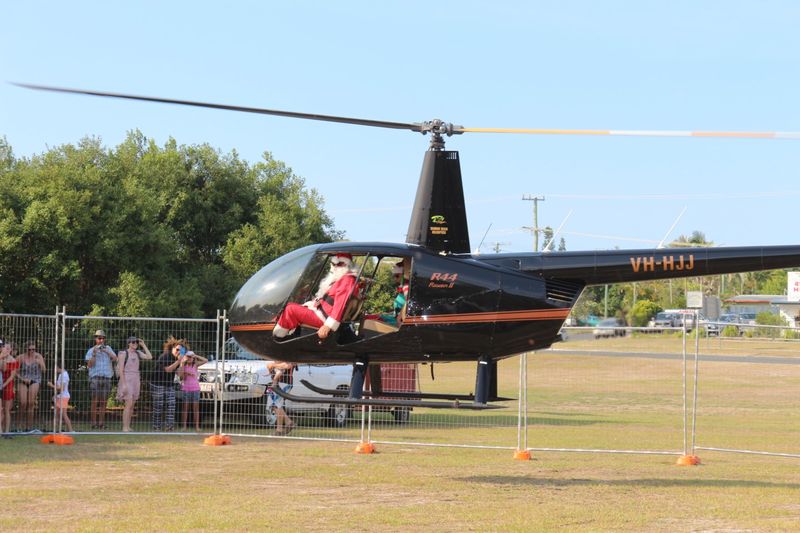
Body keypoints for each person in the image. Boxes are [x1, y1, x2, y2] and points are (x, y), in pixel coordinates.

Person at [273, 253, 358, 340]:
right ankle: (276, 330)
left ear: (347, 265)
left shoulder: (347, 280)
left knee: (290, 310)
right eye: (333, 264)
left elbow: (340, 305)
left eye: (339, 264)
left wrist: (328, 326)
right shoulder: (342, 279)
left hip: (325, 318)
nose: (335, 267)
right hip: (322, 313)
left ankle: (277, 338)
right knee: (290, 305)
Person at [116, 337, 153, 432]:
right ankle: (124, 427)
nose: (135, 344)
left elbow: (149, 357)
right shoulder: (123, 353)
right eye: (133, 342)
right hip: (127, 378)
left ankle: (128, 426)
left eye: (136, 342)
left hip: (136, 379)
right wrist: (123, 384)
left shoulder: (138, 353)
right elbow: (120, 370)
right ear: (128, 343)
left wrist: (143, 345)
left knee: (132, 404)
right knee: (128, 403)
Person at [85, 330, 117, 430]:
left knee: (104, 402)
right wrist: (94, 354)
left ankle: (101, 423)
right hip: (95, 378)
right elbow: (89, 365)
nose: (101, 340)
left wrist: (107, 351)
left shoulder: (108, 348)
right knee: (95, 401)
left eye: (103, 338)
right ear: (95, 339)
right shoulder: (91, 350)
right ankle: (94, 423)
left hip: (107, 378)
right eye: (99, 338)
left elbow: (115, 359)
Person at [150, 337, 184, 431]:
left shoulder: (177, 359)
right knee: (159, 405)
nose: (179, 352)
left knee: (172, 405)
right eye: (177, 349)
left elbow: (180, 375)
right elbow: (168, 370)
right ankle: (157, 427)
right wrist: (178, 361)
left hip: (169, 384)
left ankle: (169, 427)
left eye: (181, 351)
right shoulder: (165, 356)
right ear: (172, 348)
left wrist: (181, 363)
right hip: (157, 383)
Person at [17, 341, 46, 432]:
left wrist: (40, 363)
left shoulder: (38, 356)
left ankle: (28, 427)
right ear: (26, 349)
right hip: (23, 380)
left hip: (35, 380)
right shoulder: (20, 357)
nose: (32, 351)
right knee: (23, 403)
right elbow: (15, 372)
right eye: (30, 349)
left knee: (31, 403)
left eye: (34, 349)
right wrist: (22, 379)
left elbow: (44, 370)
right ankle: (18, 426)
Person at [177, 350, 208, 432]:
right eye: (188, 357)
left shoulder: (195, 365)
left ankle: (197, 427)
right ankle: (184, 426)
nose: (190, 358)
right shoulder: (183, 365)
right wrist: (182, 364)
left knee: (195, 409)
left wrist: (196, 356)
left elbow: (205, 360)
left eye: (191, 357)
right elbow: (180, 377)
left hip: (195, 389)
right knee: (185, 408)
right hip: (185, 389)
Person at [267, 360, 296, 435]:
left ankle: (279, 429)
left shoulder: (289, 356)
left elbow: (287, 365)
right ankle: (288, 422)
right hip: (276, 383)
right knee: (273, 405)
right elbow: (269, 365)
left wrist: (274, 365)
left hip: (283, 383)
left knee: (277, 405)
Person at [46, 362, 73, 433]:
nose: (55, 370)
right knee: (57, 414)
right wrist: (55, 396)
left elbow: (62, 388)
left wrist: (51, 385)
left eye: (55, 368)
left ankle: (71, 430)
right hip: (60, 396)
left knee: (64, 414)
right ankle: (55, 430)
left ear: (58, 367)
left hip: (63, 397)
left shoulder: (64, 375)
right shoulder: (61, 374)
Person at [1, 341, 18, 434]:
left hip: (8, 385)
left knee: (7, 409)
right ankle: (1, 429)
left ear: (11, 350)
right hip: (1, 383)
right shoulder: (1, 358)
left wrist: (3, 385)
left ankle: (6, 431)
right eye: (5, 348)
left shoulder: (13, 361)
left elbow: (12, 376)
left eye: (8, 348)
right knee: (1, 409)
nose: (6, 350)